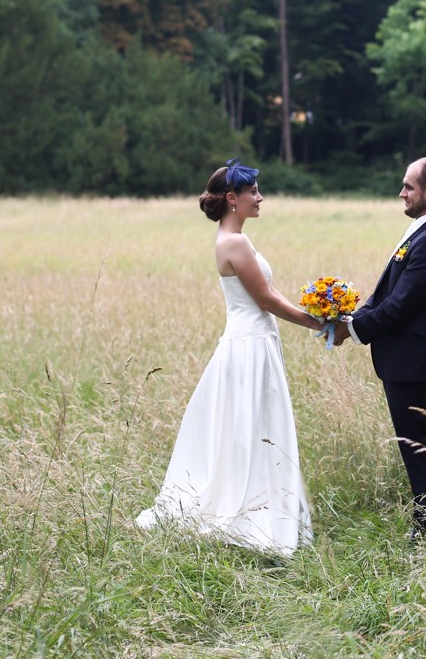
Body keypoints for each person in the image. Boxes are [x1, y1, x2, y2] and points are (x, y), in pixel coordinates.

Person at [136, 158, 323, 556]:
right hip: (248, 346)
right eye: (252, 191)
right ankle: (249, 513)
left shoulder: (235, 238)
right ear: (231, 199)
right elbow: (266, 299)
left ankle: (260, 502)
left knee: (252, 426)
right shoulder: (234, 242)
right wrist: (319, 323)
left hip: (253, 341)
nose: (259, 197)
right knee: (250, 426)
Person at [334, 157, 426, 537]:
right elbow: (386, 291)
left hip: (420, 365)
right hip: (407, 363)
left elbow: (401, 304)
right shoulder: (422, 231)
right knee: (415, 446)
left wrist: (353, 329)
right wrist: (352, 315)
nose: (401, 193)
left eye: (408, 186)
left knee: (424, 449)